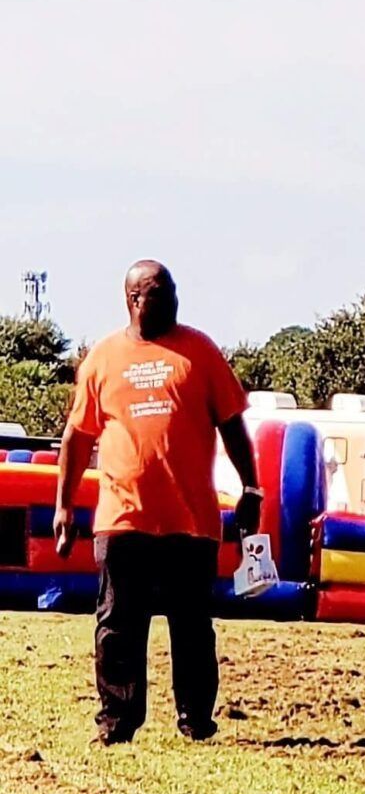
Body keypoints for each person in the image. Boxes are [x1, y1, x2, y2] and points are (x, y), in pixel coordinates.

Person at [54, 262, 262, 745]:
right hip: (123, 518)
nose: (170, 299)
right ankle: (117, 722)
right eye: (156, 292)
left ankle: (196, 721)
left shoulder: (201, 352)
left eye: (172, 291)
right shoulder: (103, 359)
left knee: (192, 626)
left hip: (190, 521)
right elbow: (76, 438)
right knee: (117, 625)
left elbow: (232, 424)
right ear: (132, 299)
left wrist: (252, 489)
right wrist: (63, 506)